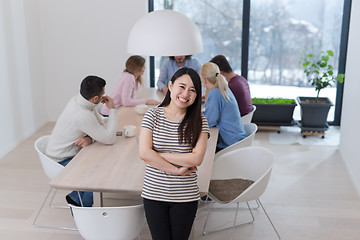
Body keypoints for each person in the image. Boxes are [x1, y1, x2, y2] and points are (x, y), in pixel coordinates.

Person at [139, 67, 209, 240]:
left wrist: (159, 154)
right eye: (182, 86)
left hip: (185, 197)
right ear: (170, 86)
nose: (186, 94)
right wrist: (176, 170)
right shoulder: (152, 115)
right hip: (154, 194)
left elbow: (196, 158)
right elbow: (144, 153)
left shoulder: (200, 120)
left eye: (193, 90)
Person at [46, 75, 117, 207]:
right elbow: (109, 139)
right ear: (96, 98)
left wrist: (90, 137)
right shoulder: (83, 115)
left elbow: (99, 123)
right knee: (94, 172)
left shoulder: (76, 100)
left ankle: (75, 198)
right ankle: (83, 209)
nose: (104, 96)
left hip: (59, 152)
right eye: (103, 93)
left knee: (98, 161)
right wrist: (112, 109)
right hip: (59, 160)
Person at [200, 62, 248, 153]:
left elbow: (210, 122)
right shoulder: (223, 88)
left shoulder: (214, 93)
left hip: (230, 144)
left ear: (204, 79)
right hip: (237, 139)